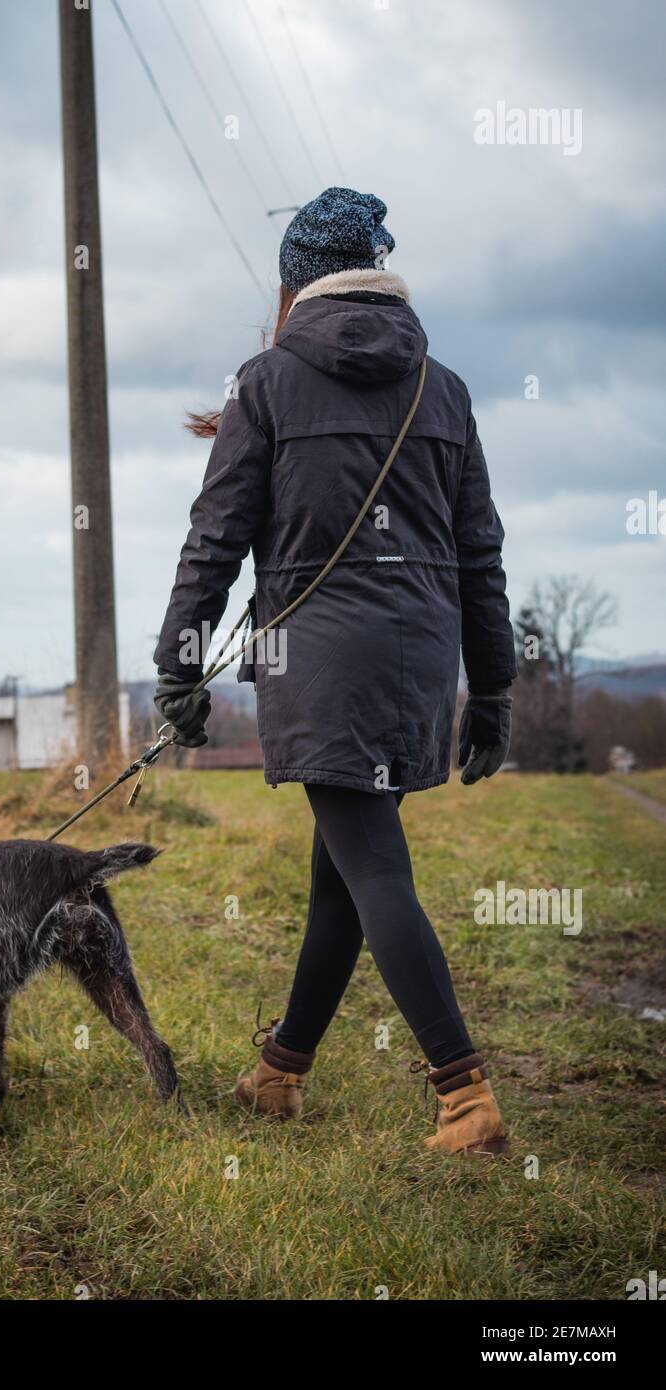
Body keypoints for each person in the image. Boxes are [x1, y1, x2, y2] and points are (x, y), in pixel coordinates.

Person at [153, 188, 516, 1156]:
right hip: (419, 658)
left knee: (372, 869)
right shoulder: (443, 386)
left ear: (293, 284)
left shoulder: (264, 381)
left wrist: (178, 665)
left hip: (318, 659)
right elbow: (479, 553)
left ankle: (463, 1094)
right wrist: (492, 688)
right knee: (344, 872)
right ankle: (279, 1072)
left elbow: (213, 538)